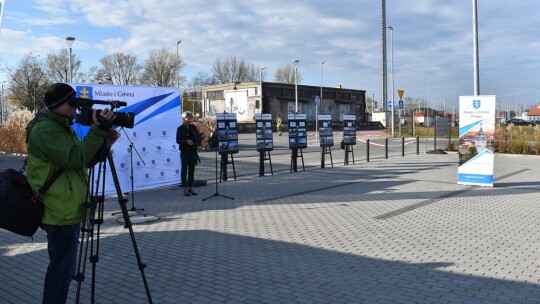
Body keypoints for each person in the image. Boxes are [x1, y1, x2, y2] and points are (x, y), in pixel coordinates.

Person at [25, 83, 119, 304]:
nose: (77, 109)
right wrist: (97, 130)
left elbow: (80, 161)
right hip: (59, 213)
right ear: (59, 105)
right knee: (61, 273)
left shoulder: (60, 127)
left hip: (68, 209)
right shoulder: (45, 130)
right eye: (73, 103)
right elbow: (75, 158)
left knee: (63, 271)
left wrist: (104, 144)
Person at [176, 111, 201, 196]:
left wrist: (200, 138)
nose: (189, 119)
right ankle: (185, 188)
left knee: (192, 170)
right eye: (188, 118)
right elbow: (178, 140)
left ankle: (190, 187)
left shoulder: (193, 127)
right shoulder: (180, 128)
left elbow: (197, 137)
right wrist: (186, 141)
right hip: (184, 151)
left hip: (193, 151)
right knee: (184, 170)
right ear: (183, 119)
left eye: (190, 118)